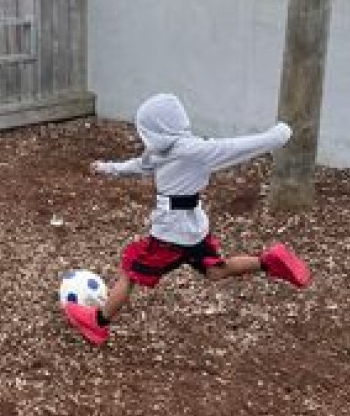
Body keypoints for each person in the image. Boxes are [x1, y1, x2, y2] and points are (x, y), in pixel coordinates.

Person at [63, 93, 312, 346]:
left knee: (130, 269)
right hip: (194, 229)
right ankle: (269, 262)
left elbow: (237, 147)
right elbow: (141, 164)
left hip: (170, 234)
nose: (144, 137)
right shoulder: (162, 150)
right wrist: (109, 168)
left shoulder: (196, 151)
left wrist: (277, 136)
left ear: (158, 130)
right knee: (215, 270)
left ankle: (98, 323)